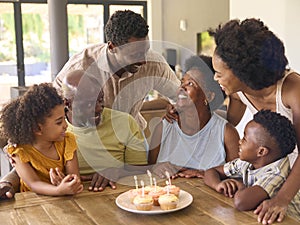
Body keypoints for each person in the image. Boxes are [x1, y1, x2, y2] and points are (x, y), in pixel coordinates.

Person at [211, 18, 300, 224]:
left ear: (242, 73)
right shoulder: (238, 93)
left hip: (291, 185)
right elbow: (227, 124)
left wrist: (281, 199)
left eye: (219, 73)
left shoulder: (293, 90)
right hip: (274, 179)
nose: (216, 78)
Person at [53, 9, 180, 131]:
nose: (144, 60)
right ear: (112, 47)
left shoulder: (154, 63)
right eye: (135, 55)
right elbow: (52, 110)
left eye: (145, 51)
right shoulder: (81, 66)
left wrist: (176, 110)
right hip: (89, 142)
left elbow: (181, 97)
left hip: (133, 138)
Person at [148, 55, 239, 178]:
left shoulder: (227, 134)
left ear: (209, 96)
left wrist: (206, 174)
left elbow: (238, 178)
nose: (181, 88)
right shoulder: (163, 128)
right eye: (182, 82)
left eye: (190, 83)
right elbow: (146, 172)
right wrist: (155, 168)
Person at [204, 110, 299, 221]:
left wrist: (240, 185)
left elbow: (241, 202)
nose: (239, 141)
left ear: (261, 152)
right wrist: (218, 185)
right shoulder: (247, 161)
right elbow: (211, 171)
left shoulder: (276, 172)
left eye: (244, 139)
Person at [0, 83, 83, 196]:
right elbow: (34, 184)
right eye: (59, 122)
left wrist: (66, 182)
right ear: (37, 129)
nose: (65, 125)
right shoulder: (20, 152)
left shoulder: (67, 142)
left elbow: (74, 177)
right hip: (32, 205)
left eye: (64, 118)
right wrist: (58, 190)